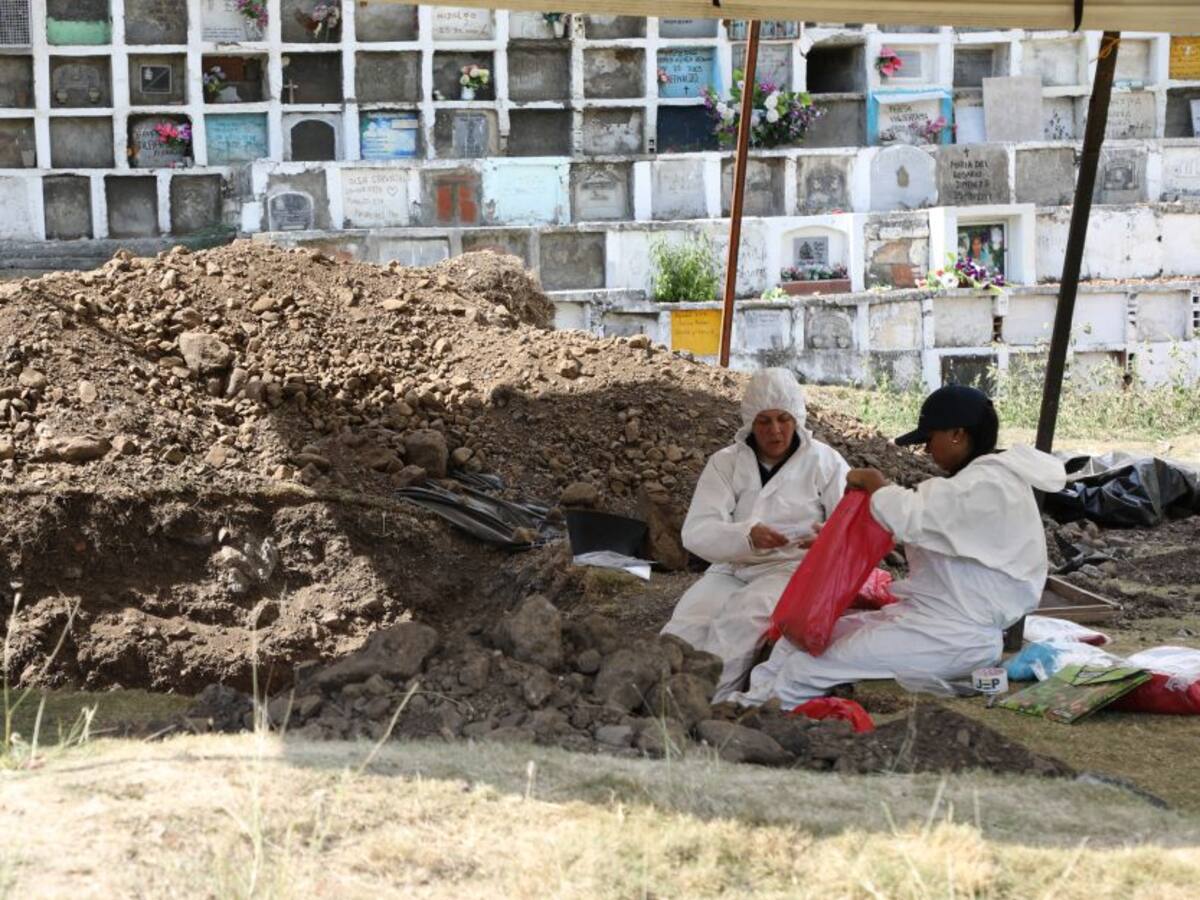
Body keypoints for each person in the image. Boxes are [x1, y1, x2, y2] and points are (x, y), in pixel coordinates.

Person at [730, 384, 1067, 707]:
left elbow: (911, 515)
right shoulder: (975, 483)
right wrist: (837, 539)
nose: (926, 450)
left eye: (929, 439)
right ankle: (746, 703)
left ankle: (762, 722)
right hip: (930, 620)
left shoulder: (988, 484)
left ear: (957, 434)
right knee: (801, 639)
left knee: (812, 666)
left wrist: (876, 483)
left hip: (953, 636)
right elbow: (920, 524)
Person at [661, 368, 849, 701]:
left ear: (797, 418)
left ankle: (702, 704)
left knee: (740, 621)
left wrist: (827, 540)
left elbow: (852, 526)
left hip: (789, 569)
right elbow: (696, 531)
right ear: (750, 422)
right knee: (688, 622)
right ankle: (651, 695)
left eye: (783, 419)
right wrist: (747, 537)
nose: (775, 430)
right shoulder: (726, 463)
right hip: (731, 566)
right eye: (764, 421)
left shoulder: (825, 462)